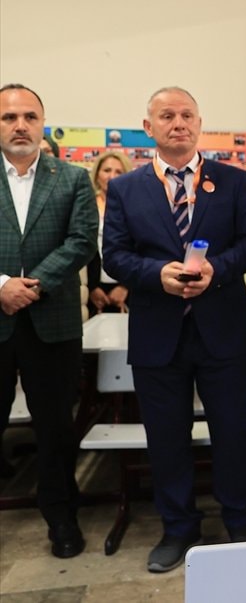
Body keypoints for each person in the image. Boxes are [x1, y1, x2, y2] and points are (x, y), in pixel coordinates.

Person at [103, 87, 246, 572]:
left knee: (234, 432)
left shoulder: (233, 181)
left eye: (187, 115)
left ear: (199, 123)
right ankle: (178, 528)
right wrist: (157, 274)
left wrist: (217, 269)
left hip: (223, 330)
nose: (178, 123)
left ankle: (240, 521)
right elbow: (114, 256)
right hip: (158, 333)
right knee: (166, 437)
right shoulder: (125, 188)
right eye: (167, 115)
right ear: (148, 127)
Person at [0, 83, 98, 558]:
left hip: (53, 322)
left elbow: (82, 241)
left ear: (42, 123)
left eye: (29, 117)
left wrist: (31, 285)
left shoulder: (72, 178)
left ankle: (61, 517)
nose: (20, 126)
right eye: (9, 117)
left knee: (56, 428)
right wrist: (2, 285)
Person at [87, 150, 132, 315]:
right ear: (97, 174)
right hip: (92, 285)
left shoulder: (135, 207)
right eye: (107, 170)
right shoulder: (85, 205)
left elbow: (141, 247)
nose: (112, 176)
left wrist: (126, 286)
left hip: (127, 285)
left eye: (118, 171)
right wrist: (91, 287)